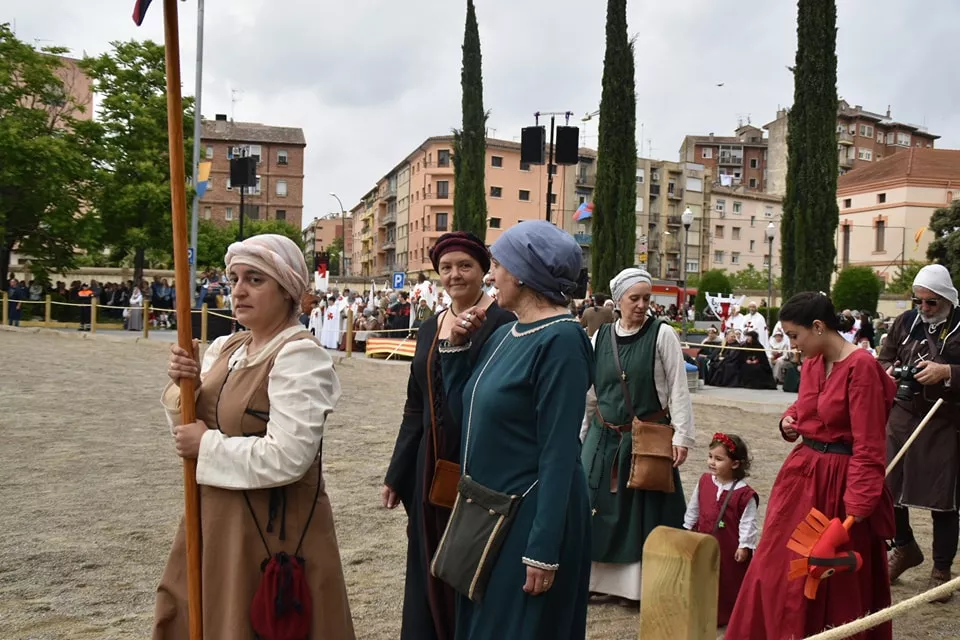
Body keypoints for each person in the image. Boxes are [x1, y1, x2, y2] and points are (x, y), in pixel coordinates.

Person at [153, 234, 355, 639]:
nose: (239, 290)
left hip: (269, 534)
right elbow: (189, 430)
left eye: (255, 280)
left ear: (287, 290)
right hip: (213, 519)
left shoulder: (300, 357)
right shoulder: (226, 348)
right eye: (235, 279)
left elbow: (289, 457)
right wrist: (185, 386)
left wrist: (206, 446)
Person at [439, 220, 594, 639]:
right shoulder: (505, 333)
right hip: (487, 512)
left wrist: (543, 548)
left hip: (527, 519)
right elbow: (465, 415)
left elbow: (559, 452)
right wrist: (456, 351)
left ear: (524, 273)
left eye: (498, 264)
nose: (491, 276)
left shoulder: (561, 342)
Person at [726, 292, 896, 640]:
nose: (792, 344)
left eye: (794, 335)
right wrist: (789, 420)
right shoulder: (814, 362)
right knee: (775, 567)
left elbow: (869, 445)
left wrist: (859, 504)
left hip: (839, 484)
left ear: (818, 327)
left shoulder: (861, 367)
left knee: (828, 575)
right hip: (801, 478)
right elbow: (808, 406)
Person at [382, 231, 514, 640]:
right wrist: (397, 472)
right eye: (446, 268)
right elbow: (415, 407)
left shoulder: (504, 324)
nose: (455, 275)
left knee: (471, 559)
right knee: (428, 558)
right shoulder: (429, 327)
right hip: (429, 464)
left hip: (478, 462)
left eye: (465, 266)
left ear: (483, 270)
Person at [579, 267, 694, 606]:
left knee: (642, 513)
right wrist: (582, 434)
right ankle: (595, 579)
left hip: (646, 438)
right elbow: (592, 392)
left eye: (647, 298)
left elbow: (678, 387)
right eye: (635, 298)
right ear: (618, 301)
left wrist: (682, 436)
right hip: (604, 434)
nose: (642, 305)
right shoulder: (600, 338)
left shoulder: (662, 334)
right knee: (594, 505)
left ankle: (637, 588)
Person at [878, 264, 960, 601]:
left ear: (946, 298)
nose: (924, 308)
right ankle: (905, 547)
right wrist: (890, 371)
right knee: (887, 485)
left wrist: (946, 371)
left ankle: (941, 569)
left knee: (943, 498)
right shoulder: (905, 322)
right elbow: (884, 358)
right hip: (902, 414)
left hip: (944, 418)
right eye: (918, 301)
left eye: (931, 302)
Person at [683, 433, 758, 627]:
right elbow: (694, 507)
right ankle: (702, 612)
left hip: (729, 548)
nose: (711, 462)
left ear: (735, 464)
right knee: (703, 576)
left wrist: (744, 545)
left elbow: (748, 522)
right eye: (710, 457)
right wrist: (687, 527)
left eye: (718, 459)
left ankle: (727, 615)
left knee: (727, 580)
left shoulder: (744, 494)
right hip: (703, 539)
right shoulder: (704, 481)